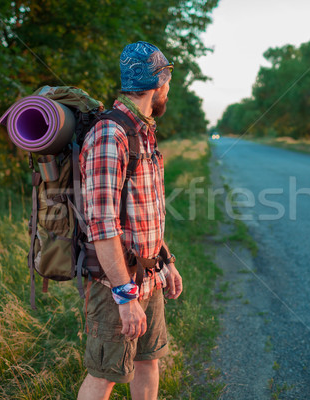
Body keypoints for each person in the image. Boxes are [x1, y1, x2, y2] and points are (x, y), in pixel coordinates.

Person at [76, 41, 183, 400]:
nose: (169, 89)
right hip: (115, 286)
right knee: (104, 375)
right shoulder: (111, 134)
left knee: (148, 360)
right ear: (159, 83)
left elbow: (145, 210)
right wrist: (124, 297)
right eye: (168, 80)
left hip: (148, 278)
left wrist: (164, 260)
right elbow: (102, 225)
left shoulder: (143, 132)